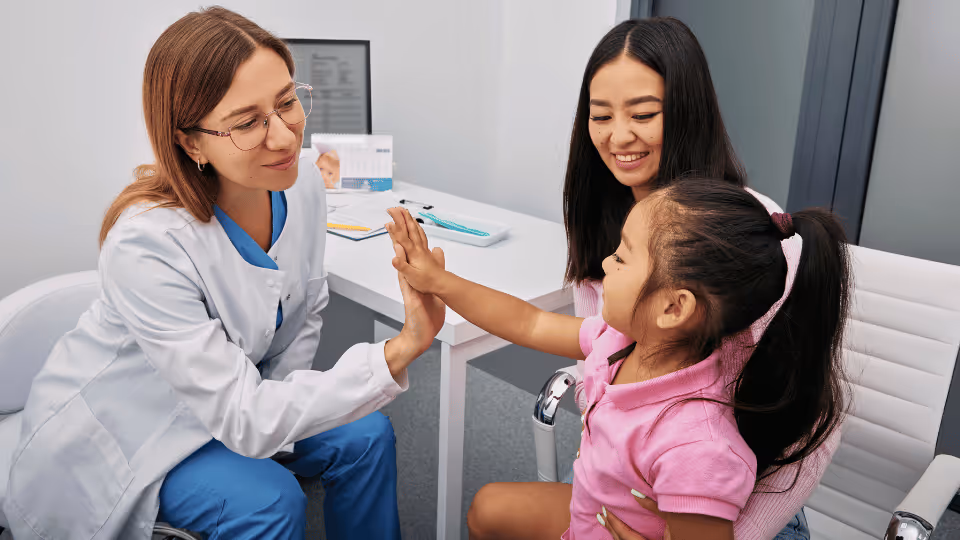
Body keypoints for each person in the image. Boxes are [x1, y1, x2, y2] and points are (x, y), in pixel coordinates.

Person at [1, 7, 443, 540]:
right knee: (270, 502)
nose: (284, 137)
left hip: (238, 397)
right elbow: (243, 417)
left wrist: (278, 414)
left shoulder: (299, 186)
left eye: (286, 103)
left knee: (367, 435)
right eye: (247, 122)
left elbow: (305, 309)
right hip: (137, 427)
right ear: (191, 142)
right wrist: (402, 347)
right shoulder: (148, 243)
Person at [467, 17, 841, 540]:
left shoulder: (743, 242)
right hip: (636, 489)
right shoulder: (613, 216)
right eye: (600, 116)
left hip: (726, 515)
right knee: (489, 509)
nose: (618, 136)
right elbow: (592, 350)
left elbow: (813, 433)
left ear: (688, 112)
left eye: (643, 113)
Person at [385, 172, 849, 539]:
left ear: (674, 307)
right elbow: (529, 323)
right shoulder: (628, 340)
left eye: (623, 257)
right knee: (487, 507)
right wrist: (438, 282)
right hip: (594, 515)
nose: (605, 264)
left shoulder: (698, 449)